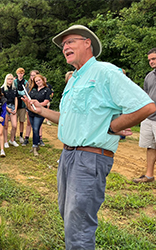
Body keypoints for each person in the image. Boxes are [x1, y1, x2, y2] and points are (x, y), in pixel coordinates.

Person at [22, 24, 155, 249]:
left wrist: (112, 127)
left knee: (79, 227)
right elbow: (67, 118)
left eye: (70, 41)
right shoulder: (73, 79)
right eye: (63, 44)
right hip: (67, 156)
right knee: (68, 217)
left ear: (87, 43)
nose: (65, 47)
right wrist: (39, 110)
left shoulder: (105, 72)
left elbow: (146, 106)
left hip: (90, 158)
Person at [134, 48, 156, 183]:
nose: (151, 62)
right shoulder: (149, 76)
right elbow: (146, 95)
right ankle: (149, 175)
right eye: (150, 60)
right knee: (150, 146)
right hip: (149, 118)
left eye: (154, 59)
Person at [27, 74, 52, 156]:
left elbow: (46, 101)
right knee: (34, 128)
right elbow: (29, 99)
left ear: (43, 80)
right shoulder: (32, 89)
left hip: (40, 112)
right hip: (31, 112)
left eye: (39, 80)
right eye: (36, 81)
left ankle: (34, 146)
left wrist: (38, 105)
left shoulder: (47, 90)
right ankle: (36, 145)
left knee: (36, 128)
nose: (38, 82)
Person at [1, 74, 18, 148]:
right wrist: (7, 108)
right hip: (5, 107)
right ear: (6, 79)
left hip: (13, 106)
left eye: (11, 79)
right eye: (8, 79)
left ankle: (12, 140)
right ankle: (5, 141)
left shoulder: (14, 88)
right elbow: (2, 100)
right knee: (6, 125)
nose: (10, 80)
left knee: (14, 125)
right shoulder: (3, 88)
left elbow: (16, 98)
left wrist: (16, 108)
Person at [22, 70, 38, 146]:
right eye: (31, 75)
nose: (32, 77)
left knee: (37, 123)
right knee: (29, 122)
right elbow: (25, 94)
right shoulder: (28, 84)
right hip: (29, 106)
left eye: (34, 75)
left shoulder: (39, 84)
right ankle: (26, 138)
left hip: (37, 106)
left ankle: (39, 139)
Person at [14, 68, 28, 144]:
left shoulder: (26, 82)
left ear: (23, 74)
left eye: (21, 73)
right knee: (14, 122)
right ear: (17, 74)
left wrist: (19, 92)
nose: (20, 74)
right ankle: (14, 136)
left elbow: (25, 92)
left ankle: (21, 136)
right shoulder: (14, 82)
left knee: (21, 121)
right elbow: (14, 91)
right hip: (15, 104)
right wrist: (20, 92)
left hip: (22, 104)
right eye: (19, 73)